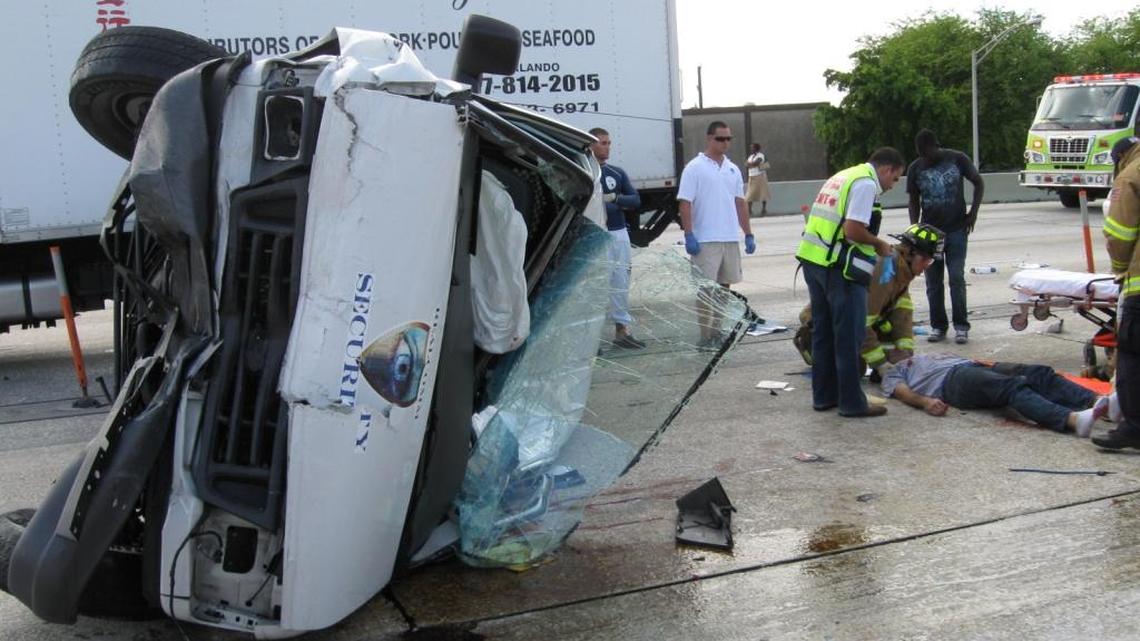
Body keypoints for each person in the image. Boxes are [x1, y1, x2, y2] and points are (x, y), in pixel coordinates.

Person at [796, 147, 905, 418]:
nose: (893, 186)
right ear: (887, 169)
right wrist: (880, 243)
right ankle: (852, 403)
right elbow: (853, 230)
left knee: (823, 334)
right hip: (839, 270)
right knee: (848, 337)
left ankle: (824, 397)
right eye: (895, 179)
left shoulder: (844, 176)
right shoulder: (865, 184)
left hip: (814, 261)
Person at [795, 223, 945, 379]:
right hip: (826, 320)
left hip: (852, 318)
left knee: (892, 345)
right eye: (926, 259)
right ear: (909, 253)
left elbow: (902, 314)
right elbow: (860, 322)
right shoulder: (884, 270)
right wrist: (881, 364)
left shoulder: (902, 271)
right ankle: (811, 344)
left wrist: (906, 354)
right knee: (854, 371)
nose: (927, 265)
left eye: (931, 261)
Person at [882, 353, 1109, 437]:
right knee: (1010, 387)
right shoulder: (894, 372)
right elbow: (903, 393)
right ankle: (1072, 420)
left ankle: (1097, 401)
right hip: (952, 383)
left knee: (1038, 373)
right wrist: (926, 403)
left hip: (973, 366)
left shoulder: (921, 356)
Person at [677, 121, 755, 346]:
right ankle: (705, 335)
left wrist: (748, 233)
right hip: (706, 239)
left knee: (724, 287)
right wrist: (689, 234)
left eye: (729, 139)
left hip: (729, 237)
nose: (726, 143)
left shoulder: (732, 169)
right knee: (704, 289)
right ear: (709, 139)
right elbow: (685, 203)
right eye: (721, 139)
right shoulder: (695, 168)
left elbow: (740, 203)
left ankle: (717, 329)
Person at [907, 129, 984, 345]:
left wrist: (973, 213)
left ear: (935, 146)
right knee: (933, 282)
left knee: (956, 278)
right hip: (930, 236)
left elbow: (978, 182)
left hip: (957, 229)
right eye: (921, 154)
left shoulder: (957, 159)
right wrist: (915, 229)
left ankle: (961, 326)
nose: (925, 157)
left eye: (927, 152)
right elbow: (913, 200)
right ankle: (938, 326)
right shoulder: (916, 167)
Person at [1093, 136, 1140, 449]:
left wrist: (1121, 269)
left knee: (1133, 354)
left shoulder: (1131, 174)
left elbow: (1119, 232)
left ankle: (1134, 427)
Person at [590, 127, 645, 349]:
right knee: (595, 287)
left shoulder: (616, 173)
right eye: (603, 142)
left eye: (609, 142)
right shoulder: (586, 172)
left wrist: (615, 199)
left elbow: (635, 200)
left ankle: (622, 332)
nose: (607, 146)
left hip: (618, 233)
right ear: (591, 145)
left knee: (620, 283)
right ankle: (591, 342)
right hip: (595, 234)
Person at [745, 143, 771, 216]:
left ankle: (764, 209)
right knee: (750, 194)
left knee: (763, 193)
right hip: (752, 176)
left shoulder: (761, 155)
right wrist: (751, 164)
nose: (751, 149)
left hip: (760, 176)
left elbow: (756, 163)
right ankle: (749, 210)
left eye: (752, 148)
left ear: (756, 148)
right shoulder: (751, 156)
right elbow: (746, 164)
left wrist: (750, 164)